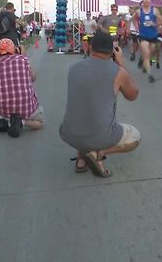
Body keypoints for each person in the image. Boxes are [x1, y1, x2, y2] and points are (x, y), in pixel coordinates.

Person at [60, 31, 140, 177]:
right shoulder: (117, 72)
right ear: (112, 52)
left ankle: (81, 159)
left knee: (84, 110)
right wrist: (121, 64)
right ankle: (98, 153)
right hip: (99, 136)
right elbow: (132, 95)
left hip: (68, 133)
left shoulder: (73, 68)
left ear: (90, 48)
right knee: (135, 136)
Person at [0, 38, 44, 137]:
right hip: (25, 106)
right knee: (40, 123)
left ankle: (5, 119)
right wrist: (23, 56)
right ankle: (22, 122)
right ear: (14, 49)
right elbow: (33, 78)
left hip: (2, 106)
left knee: (4, 95)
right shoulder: (23, 60)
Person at [136, 0, 162, 83]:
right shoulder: (139, 11)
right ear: (142, 1)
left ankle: (142, 60)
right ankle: (150, 75)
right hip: (143, 36)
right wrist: (136, 28)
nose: (147, 0)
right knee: (147, 54)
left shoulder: (155, 10)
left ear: (150, 0)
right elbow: (132, 19)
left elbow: (161, 21)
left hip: (153, 36)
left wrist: (154, 24)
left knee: (151, 54)